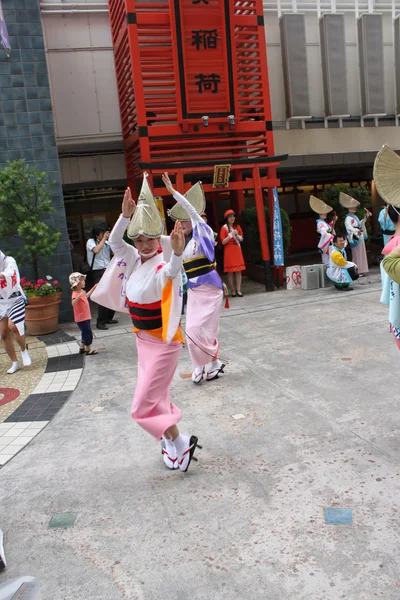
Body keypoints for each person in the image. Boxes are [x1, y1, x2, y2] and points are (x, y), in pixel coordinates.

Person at [92, 173, 200, 472]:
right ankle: (176, 445)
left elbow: (172, 272)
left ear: (158, 238)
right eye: (139, 239)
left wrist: (177, 252)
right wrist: (124, 217)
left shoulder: (163, 264)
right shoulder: (133, 257)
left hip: (164, 343)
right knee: (156, 401)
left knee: (141, 407)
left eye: (150, 239)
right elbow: (115, 241)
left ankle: (181, 440)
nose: (144, 244)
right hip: (142, 340)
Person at [163, 173, 225, 384]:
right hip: (194, 289)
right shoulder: (185, 243)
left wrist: (173, 192)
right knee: (191, 329)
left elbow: (191, 210)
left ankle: (212, 362)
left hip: (210, 287)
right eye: (179, 220)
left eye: (187, 219)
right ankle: (203, 364)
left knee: (205, 330)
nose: (183, 222)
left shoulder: (204, 231)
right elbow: (175, 265)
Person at [0, 251, 31, 375]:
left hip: (15, 298)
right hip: (1, 302)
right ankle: (15, 362)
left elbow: (9, 274)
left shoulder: (9, 260)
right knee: (3, 334)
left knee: (13, 326)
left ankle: (24, 350)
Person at [86, 225, 118, 330]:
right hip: (97, 271)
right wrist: (104, 239)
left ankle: (109, 317)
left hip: (108, 269)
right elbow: (96, 250)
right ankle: (100, 321)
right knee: (102, 294)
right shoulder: (91, 242)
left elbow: (115, 252)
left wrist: (110, 240)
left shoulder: (106, 243)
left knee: (113, 293)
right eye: (102, 234)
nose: (105, 235)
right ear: (97, 235)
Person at [340, 192, 371, 277]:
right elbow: (348, 227)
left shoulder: (355, 217)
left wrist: (365, 218)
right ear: (348, 209)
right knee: (356, 254)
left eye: (354, 208)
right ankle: (356, 270)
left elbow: (360, 224)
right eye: (352, 208)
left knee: (361, 253)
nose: (353, 209)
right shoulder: (348, 218)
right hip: (355, 236)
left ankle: (362, 269)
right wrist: (355, 230)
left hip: (359, 235)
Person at [70, 272, 98, 356]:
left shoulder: (81, 291)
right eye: (82, 281)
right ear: (77, 283)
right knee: (88, 332)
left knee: (84, 332)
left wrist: (93, 288)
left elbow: (86, 296)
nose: (84, 282)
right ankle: (88, 349)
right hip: (81, 318)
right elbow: (73, 303)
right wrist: (79, 296)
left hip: (86, 316)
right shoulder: (75, 293)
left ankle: (82, 347)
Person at [219, 209, 246, 297]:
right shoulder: (224, 228)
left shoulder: (237, 226)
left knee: (238, 271)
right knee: (230, 271)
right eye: (230, 217)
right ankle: (233, 290)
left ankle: (238, 290)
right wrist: (230, 235)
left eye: (233, 216)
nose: (232, 218)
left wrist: (236, 235)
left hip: (237, 250)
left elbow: (241, 239)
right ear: (227, 218)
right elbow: (223, 242)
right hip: (229, 250)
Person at [309, 195, 337, 265]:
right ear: (319, 213)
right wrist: (330, 237)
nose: (325, 214)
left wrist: (334, 221)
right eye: (323, 212)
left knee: (331, 260)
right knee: (327, 261)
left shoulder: (323, 223)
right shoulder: (320, 223)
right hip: (326, 243)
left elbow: (329, 228)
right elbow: (324, 233)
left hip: (329, 242)